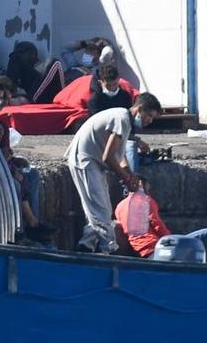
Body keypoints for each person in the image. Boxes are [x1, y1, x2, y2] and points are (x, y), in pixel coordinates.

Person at [66, 90, 157, 252]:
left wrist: (130, 174)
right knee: (101, 210)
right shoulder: (121, 119)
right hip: (85, 161)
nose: (149, 121)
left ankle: (85, 246)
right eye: (149, 115)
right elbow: (108, 157)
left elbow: (119, 156)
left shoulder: (125, 121)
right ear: (139, 109)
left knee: (99, 209)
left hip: (93, 162)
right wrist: (127, 179)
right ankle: (110, 249)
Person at [114, 186, 207, 261]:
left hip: (141, 254)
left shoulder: (119, 208)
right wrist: (172, 241)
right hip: (155, 250)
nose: (149, 192)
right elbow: (158, 225)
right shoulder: (145, 200)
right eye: (148, 189)